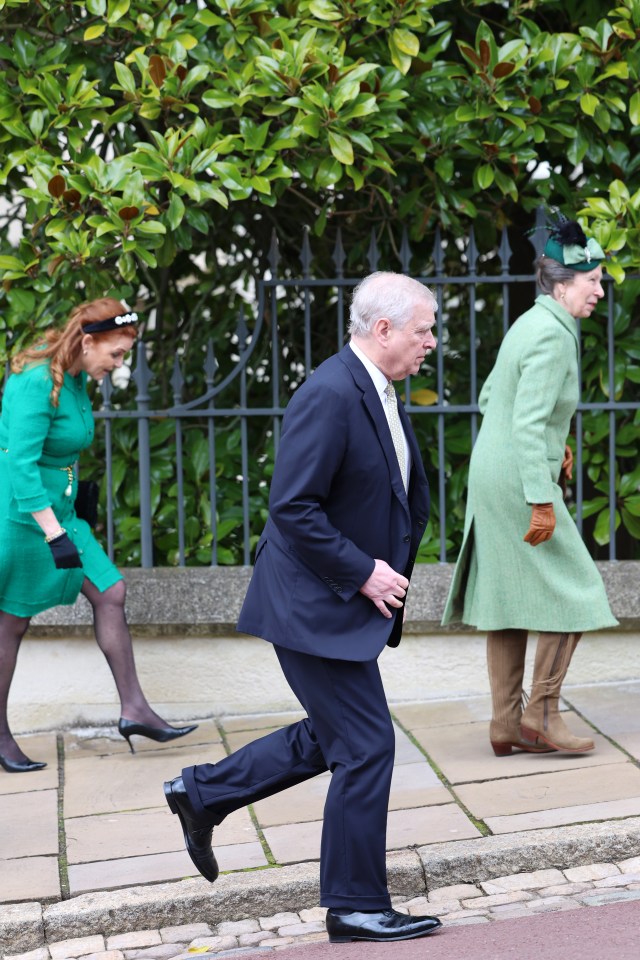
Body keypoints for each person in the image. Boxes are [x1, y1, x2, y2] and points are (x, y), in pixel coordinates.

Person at [163, 272, 443, 943]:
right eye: (423, 329)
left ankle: (202, 793)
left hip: (340, 606)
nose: (431, 342)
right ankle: (352, 905)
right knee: (367, 745)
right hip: (313, 605)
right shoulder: (330, 393)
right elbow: (292, 507)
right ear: (383, 330)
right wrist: (365, 573)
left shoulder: (378, 391)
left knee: (335, 734)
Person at [442, 217, 618, 757]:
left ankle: (505, 723)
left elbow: (495, 399)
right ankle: (541, 714)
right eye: (592, 278)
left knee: (510, 599)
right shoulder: (552, 335)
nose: (599, 288)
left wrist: (552, 444)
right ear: (562, 284)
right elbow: (523, 420)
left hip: (497, 471)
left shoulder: (531, 324)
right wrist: (541, 496)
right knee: (579, 590)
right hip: (519, 482)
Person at [0, 297, 197, 773]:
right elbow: (19, 464)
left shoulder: (75, 379)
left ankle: (135, 710)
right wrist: (53, 533)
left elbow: (62, 450)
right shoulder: (34, 383)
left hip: (61, 513)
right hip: (23, 517)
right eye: (116, 354)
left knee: (111, 590)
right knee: (11, 622)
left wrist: (73, 497)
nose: (118, 365)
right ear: (87, 342)